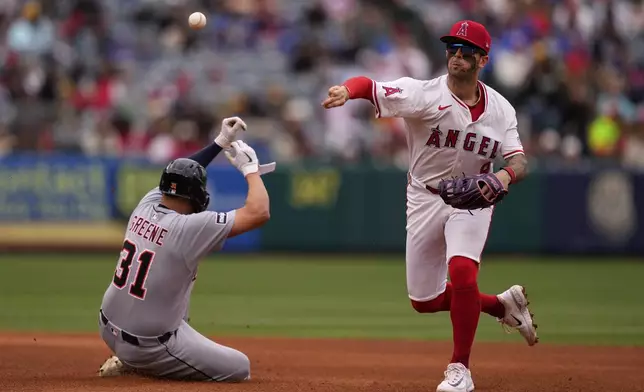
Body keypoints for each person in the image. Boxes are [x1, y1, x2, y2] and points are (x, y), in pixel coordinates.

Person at [322, 20, 538, 392]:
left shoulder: (502, 110)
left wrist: (501, 178)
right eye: (452, 48)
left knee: (463, 273)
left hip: (473, 199)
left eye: (466, 50)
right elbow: (370, 87)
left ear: (482, 59)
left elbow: (519, 161)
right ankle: (502, 306)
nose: (456, 55)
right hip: (425, 196)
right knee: (425, 300)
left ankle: (460, 369)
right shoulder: (422, 94)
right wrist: (346, 90)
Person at [97, 117, 275, 381]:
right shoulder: (189, 228)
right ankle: (139, 365)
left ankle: (129, 358)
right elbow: (259, 212)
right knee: (240, 367)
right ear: (194, 195)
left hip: (106, 324)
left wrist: (220, 143)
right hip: (149, 346)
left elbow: (179, 175)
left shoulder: (147, 203)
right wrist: (251, 169)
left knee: (177, 280)